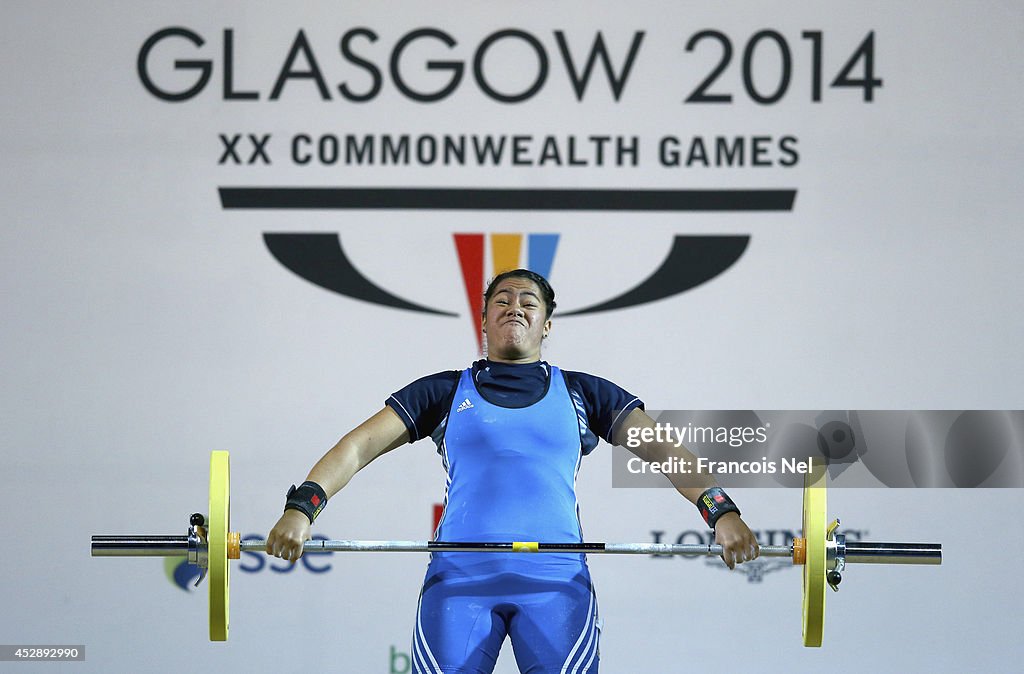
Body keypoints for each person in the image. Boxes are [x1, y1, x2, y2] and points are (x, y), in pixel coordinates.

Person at [267, 269, 759, 673]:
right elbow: (357, 447)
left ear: (547, 324)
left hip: (555, 582)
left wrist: (722, 513)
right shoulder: (442, 391)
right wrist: (302, 508)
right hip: (460, 579)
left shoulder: (586, 394)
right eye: (501, 300)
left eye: (529, 300)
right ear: (483, 321)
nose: (514, 306)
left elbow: (666, 452)